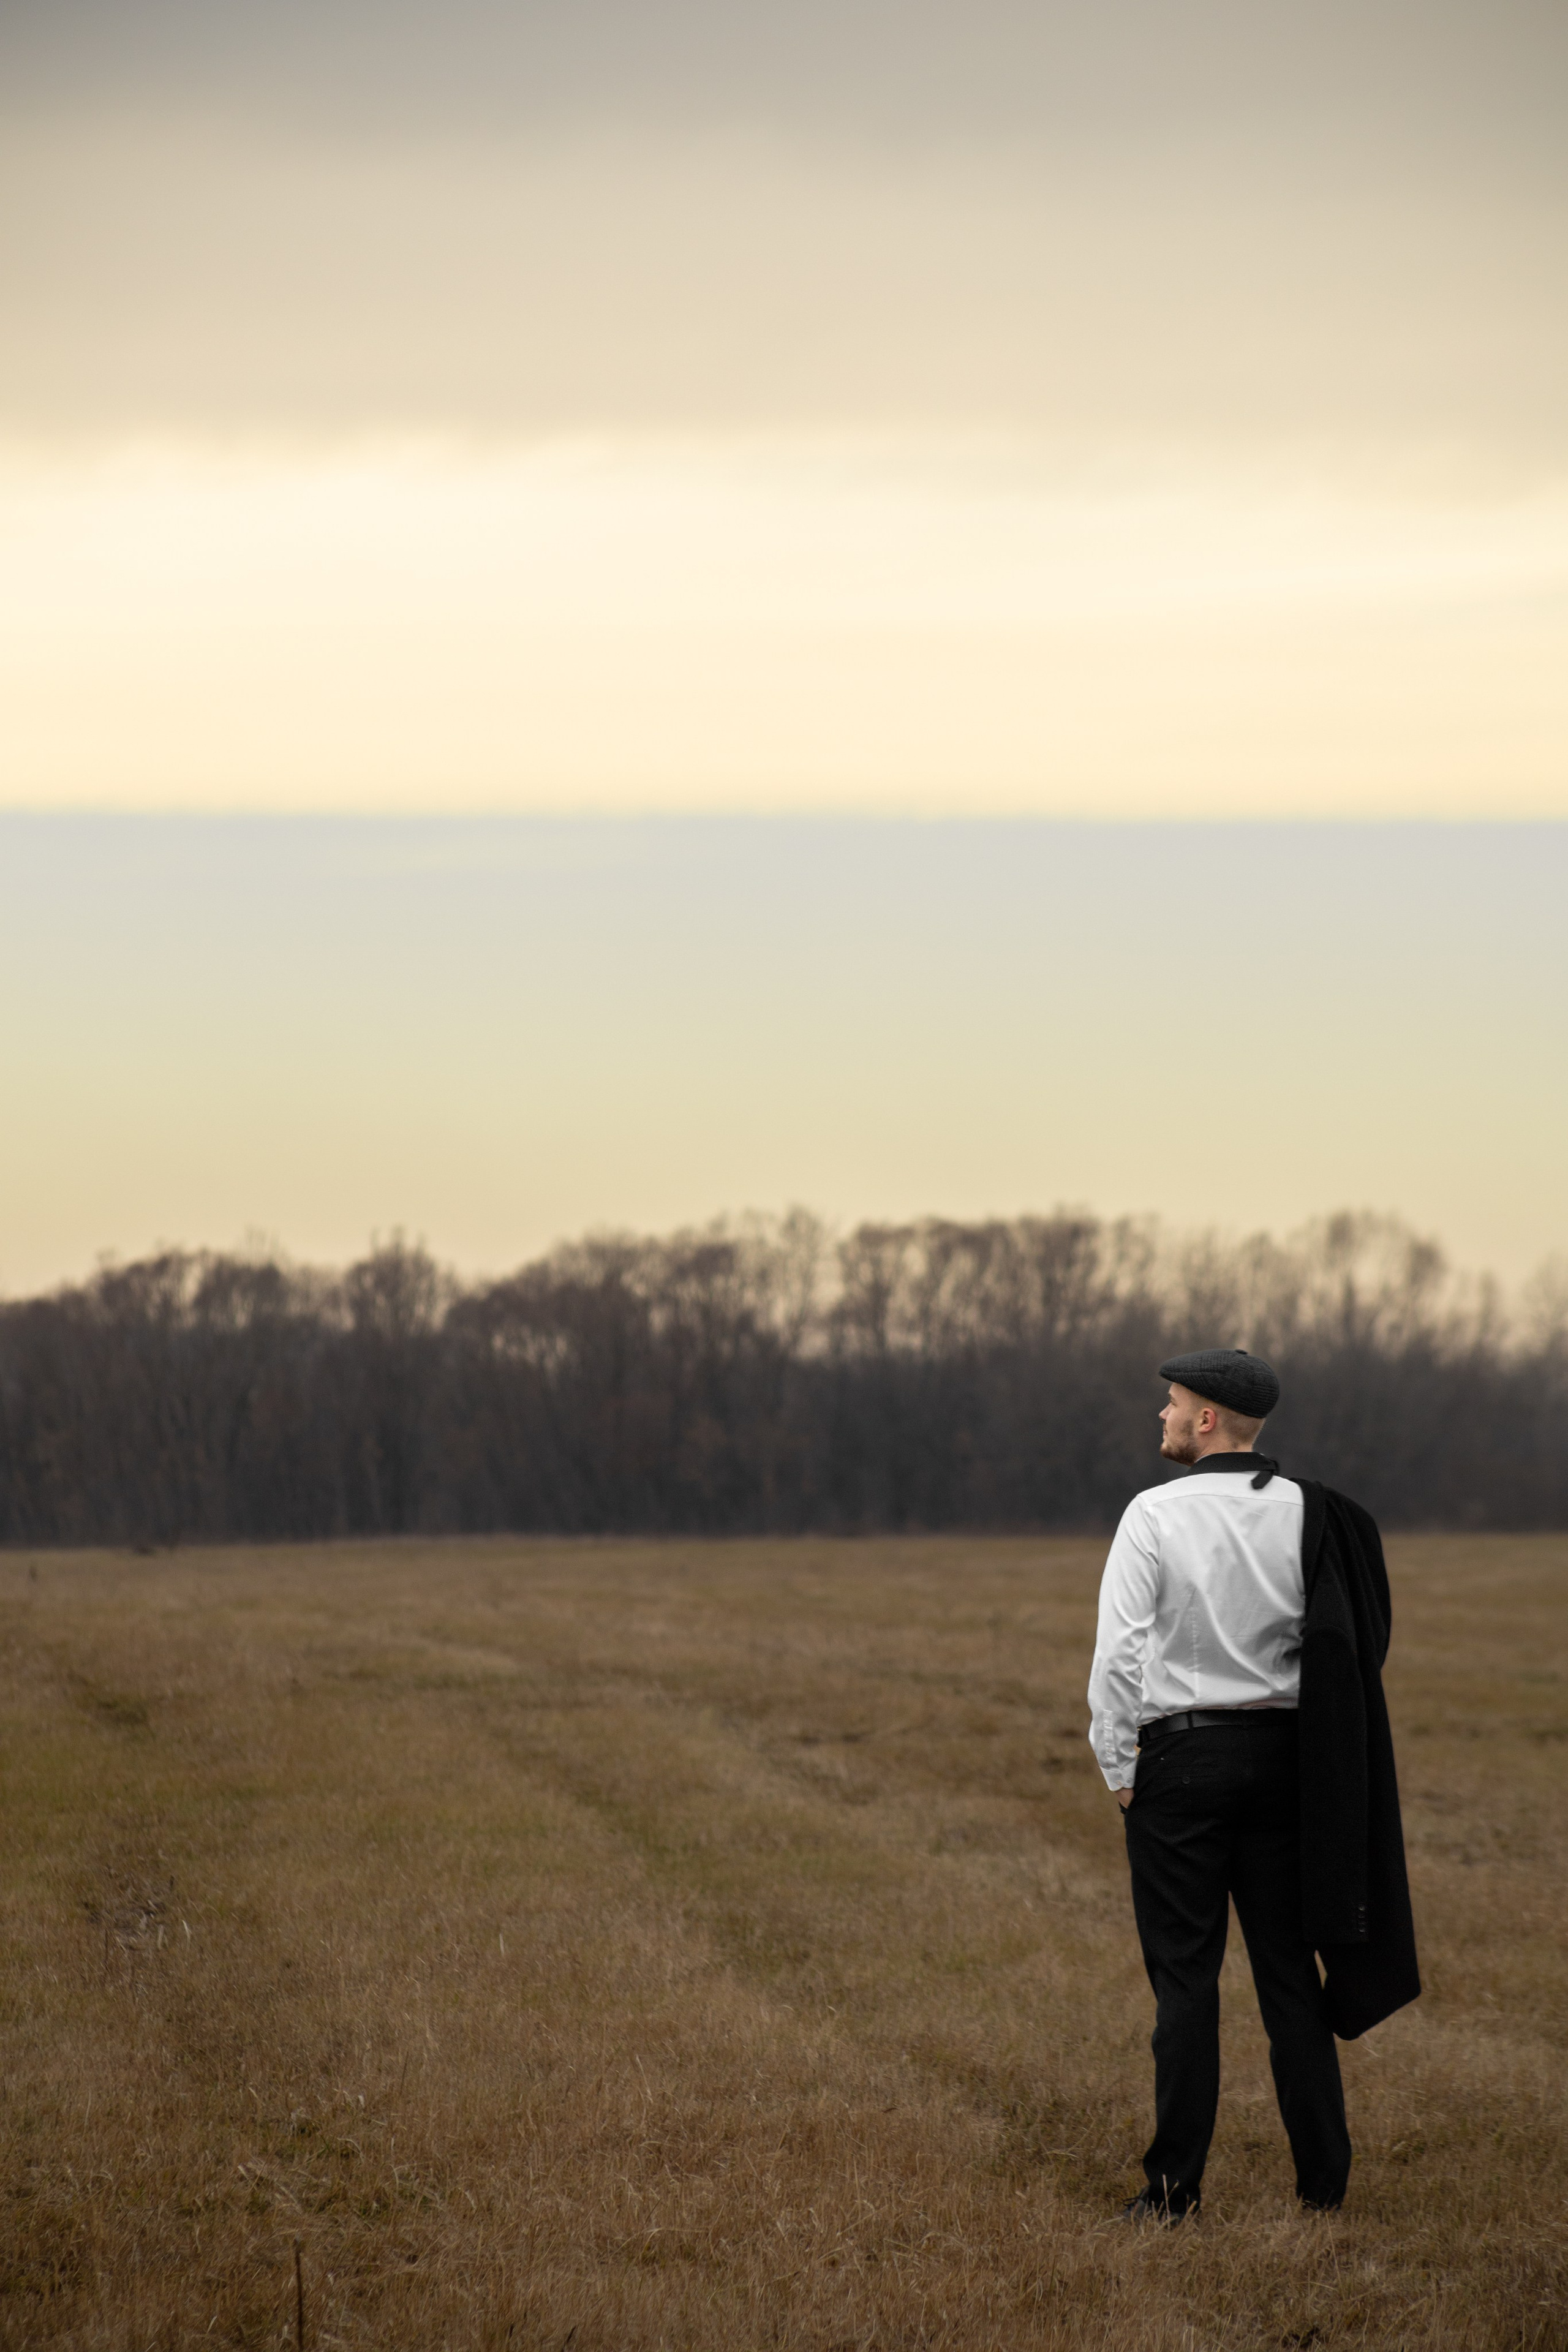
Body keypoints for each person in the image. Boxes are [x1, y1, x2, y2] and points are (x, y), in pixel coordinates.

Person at [1087, 1348, 1419, 2225]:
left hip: (1179, 1764)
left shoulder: (1153, 1513)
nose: (1158, 1416)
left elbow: (1118, 1654)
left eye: (1169, 1403)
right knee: (1288, 1979)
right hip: (1286, 1767)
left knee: (1186, 1984)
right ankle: (1323, 2188)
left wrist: (1120, 1769)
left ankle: (1172, 2194)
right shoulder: (1312, 1513)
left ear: (1206, 1420)